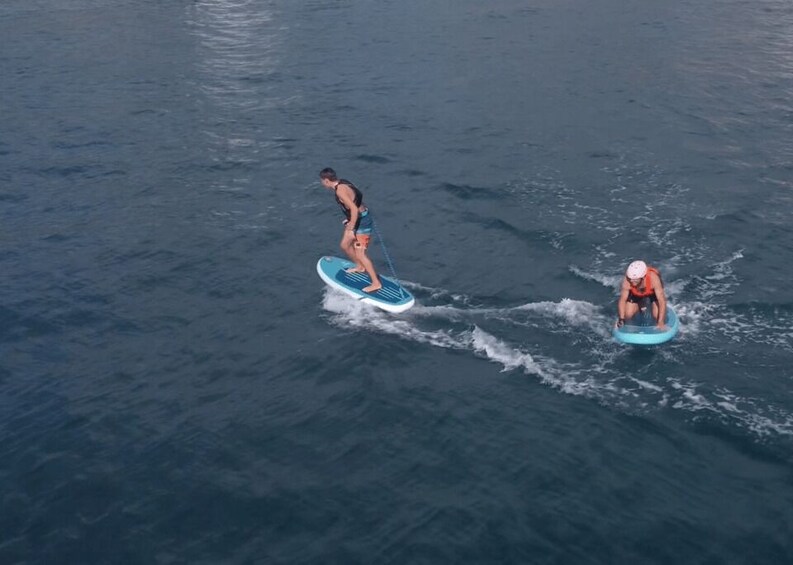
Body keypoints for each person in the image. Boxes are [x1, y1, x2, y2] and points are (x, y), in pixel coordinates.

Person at [319, 167, 382, 293]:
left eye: (321, 181)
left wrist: (352, 226)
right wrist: (349, 219)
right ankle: (360, 267)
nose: (321, 183)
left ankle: (376, 283)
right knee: (345, 245)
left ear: (326, 180)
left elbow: (353, 208)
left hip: (362, 223)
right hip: (356, 220)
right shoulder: (343, 182)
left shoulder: (340, 191)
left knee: (361, 254)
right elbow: (355, 201)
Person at [616, 260, 668, 330]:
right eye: (630, 279)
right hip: (635, 293)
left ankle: (647, 306)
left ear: (643, 277)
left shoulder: (654, 279)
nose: (632, 281)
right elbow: (622, 300)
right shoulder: (627, 281)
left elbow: (661, 300)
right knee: (628, 314)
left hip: (652, 293)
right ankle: (640, 306)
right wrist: (621, 319)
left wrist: (661, 321)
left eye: (635, 280)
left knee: (656, 315)